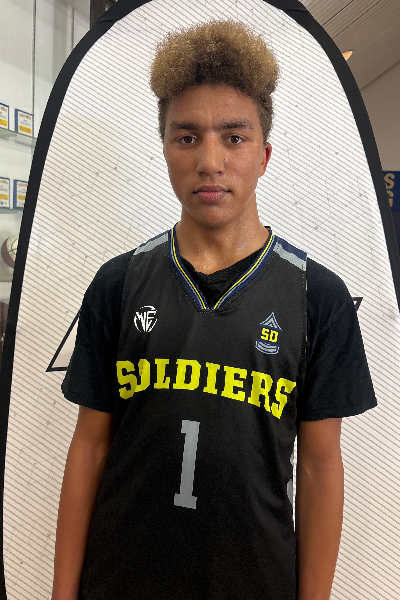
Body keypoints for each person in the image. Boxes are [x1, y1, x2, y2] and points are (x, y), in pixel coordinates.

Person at [52, 20, 377, 600]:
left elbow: (320, 467)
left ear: (264, 154)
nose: (210, 161)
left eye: (233, 137)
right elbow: (90, 446)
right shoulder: (117, 283)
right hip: (120, 579)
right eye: (187, 137)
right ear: (165, 149)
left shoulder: (318, 297)